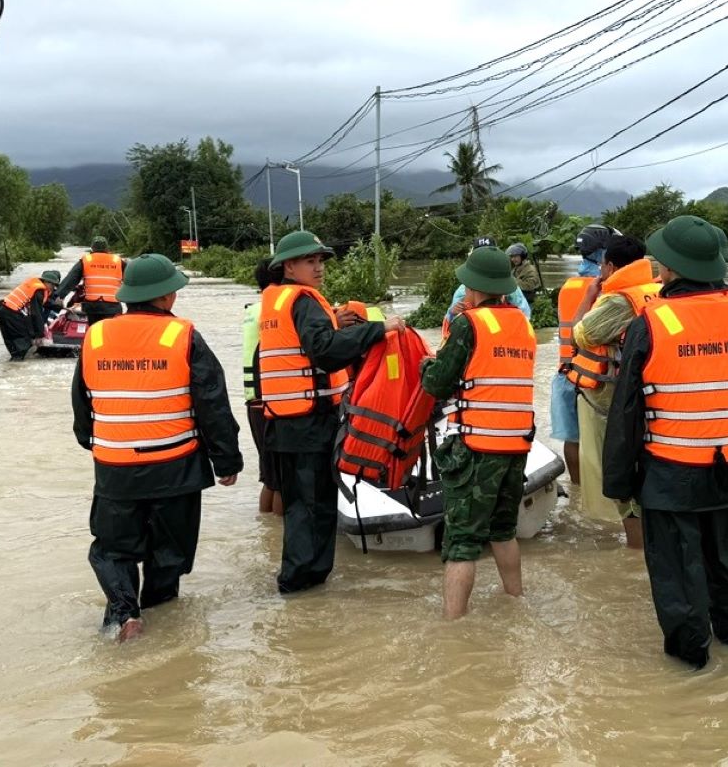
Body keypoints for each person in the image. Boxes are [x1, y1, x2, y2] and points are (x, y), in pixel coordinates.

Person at [603, 215, 728, 670]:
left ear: (671, 269)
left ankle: (692, 669)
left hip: (670, 476)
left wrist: (619, 481)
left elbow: (627, 410)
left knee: (679, 578)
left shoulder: (653, 323)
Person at [71, 254, 243, 643]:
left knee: (113, 551)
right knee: (168, 553)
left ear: (129, 295)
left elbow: (82, 400)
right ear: (166, 297)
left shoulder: (96, 336)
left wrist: (92, 441)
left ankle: (124, 612)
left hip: (115, 467)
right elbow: (212, 402)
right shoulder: (183, 335)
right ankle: (165, 626)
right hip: (175, 467)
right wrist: (226, 460)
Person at [259, 230, 405, 594]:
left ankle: (305, 585)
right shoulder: (304, 300)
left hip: (286, 421)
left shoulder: (275, 301)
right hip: (309, 422)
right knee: (312, 508)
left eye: (321, 260)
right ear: (289, 266)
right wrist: (378, 330)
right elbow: (323, 350)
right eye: (310, 261)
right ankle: (299, 586)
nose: (319, 267)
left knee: (302, 506)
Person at [420, 246, 537, 619]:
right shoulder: (523, 323)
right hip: (516, 446)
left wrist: (427, 364)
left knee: (462, 540)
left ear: (471, 287)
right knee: (503, 529)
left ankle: (454, 627)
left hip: (475, 447)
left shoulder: (468, 324)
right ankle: (515, 601)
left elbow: (438, 383)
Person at [568, 235, 660, 547]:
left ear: (609, 266)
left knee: (622, 471)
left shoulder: (618, 300)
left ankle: (636, 550)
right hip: (656, 395)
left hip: (618, 399)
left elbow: (580, 334)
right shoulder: (658, 291)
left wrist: (589, 296)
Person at [553, 224, 613, 484]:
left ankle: (577, 490)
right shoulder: (605, 289)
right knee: (602, 440)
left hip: (565, 373)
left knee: (572, 438)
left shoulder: (568, 285)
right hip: (595, 377)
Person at [241, 258, 283, 515]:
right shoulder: (270, 309)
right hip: (270, 404)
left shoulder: (254, 310)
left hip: (255, 402)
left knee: (270, 476)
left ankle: (268, 534)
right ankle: (279, 538)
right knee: (282, 482)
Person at [445, 238, 532, 325]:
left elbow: (525, 315)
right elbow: (450, 320)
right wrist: (452, 312)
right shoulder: (463, 290)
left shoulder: (510, 288)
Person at [57, 236, 128, 325]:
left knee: (94, 333)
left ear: (92, 248)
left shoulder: (86, 260)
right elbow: (132, 281)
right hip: (112, 307)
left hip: (92, 307)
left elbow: (70, 280)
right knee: (111, 334)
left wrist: (58, 296)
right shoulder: (118, 261)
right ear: (107, 248)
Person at [0, 269, 62, 360]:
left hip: (3, 310)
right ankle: (18, 367)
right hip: (12, 313)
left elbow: (45, 303)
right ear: (46, 282)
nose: (54, 288)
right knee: (23, 343)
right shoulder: (39, 290)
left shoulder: (34, 285)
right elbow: (36, 314)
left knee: (12, 345)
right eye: (53, 285)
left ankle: (11, 368)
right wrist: (40, 334)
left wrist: (62, 307)